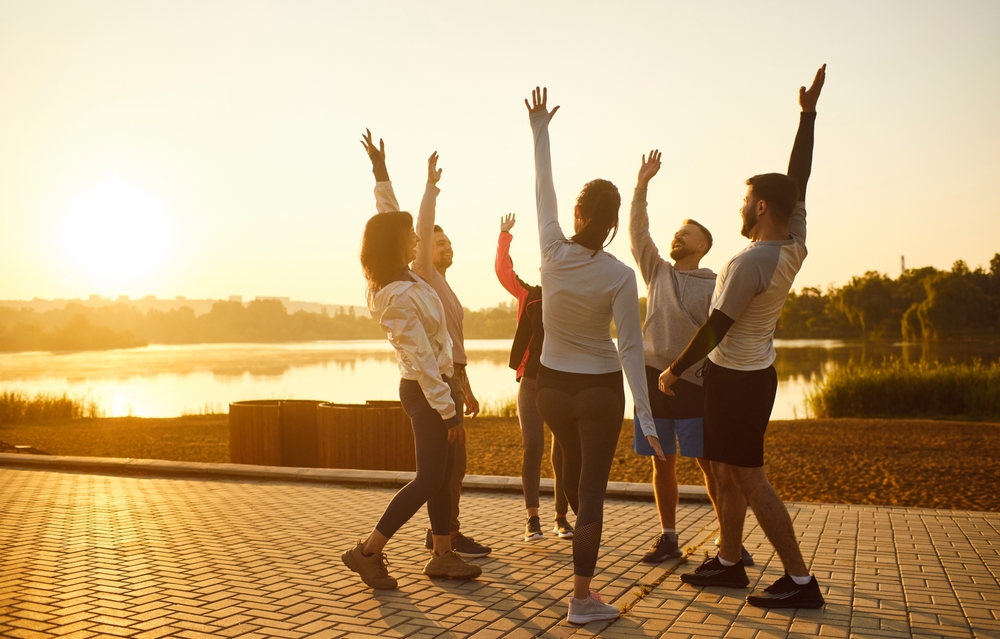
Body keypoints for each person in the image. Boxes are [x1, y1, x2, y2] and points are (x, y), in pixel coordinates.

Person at [659, 65, 827, 609]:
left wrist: (673, 370)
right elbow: (798, 179)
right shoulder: (794, 240)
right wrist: (807, 116)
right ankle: (730, 563)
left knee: (750, 479)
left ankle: (800, 580)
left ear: (759, 208)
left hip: (736, 380)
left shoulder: (752, 263)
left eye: (745, 199)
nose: (739, 206)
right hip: (749, 374)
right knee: (727, 472)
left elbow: (715, 328)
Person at [526, 86, 666, 625]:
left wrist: (540, 129)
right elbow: (629, 348)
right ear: (611, 223)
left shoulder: (550, 250)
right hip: (600, 391)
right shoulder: (620, 275)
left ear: (580, 213)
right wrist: (646, 417)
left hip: (551, 390)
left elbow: (543, 189)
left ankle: (579, 579)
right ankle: (581, 598)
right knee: (591, 492)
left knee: (572, 465)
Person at [341, 152, 481, 589]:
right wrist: (449, 412)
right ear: (396, 244)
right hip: (426, 391)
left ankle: (442, 555)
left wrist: (381, 174)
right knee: (428, 479)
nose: (417, 239)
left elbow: (389, 217)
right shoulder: (396, 296)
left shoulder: (405, 274)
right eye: (411, 236)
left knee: (439, 478)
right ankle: (367, 552)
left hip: (439, 387)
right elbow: (422, 363)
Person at [628, 151, 757, 566]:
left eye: (686, 234)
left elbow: (719, 335)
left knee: (711, 466)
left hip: (696, 384)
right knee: (662, 463)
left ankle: (729, 541)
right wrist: (641, 186)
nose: (677, 237)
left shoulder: (714, 284)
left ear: (702, 246)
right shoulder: (657, 271)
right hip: (652, 378)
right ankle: (669, 539)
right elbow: (638, 230)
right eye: (676, 233)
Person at [495, 212, 573, 542]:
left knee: (563, 450)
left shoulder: (572, 300)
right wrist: (504, 236)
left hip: (562, 383)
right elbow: (504, 272)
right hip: (531, 381)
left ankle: (561, 518)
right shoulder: (531, 295)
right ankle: (532, 520)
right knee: (532, 446)